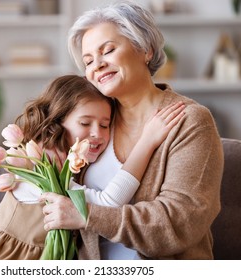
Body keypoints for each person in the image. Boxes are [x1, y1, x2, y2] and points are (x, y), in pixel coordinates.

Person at [40, 1, 224, 260]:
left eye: (108, 50)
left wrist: (87, 215)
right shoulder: (95, 123)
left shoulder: (190, 121)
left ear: (145, 50)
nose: (98, 65)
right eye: (88, 61)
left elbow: (179, 223)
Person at [0, 74, 185, 260]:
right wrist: (147, 142)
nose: (97, 134)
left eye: (105, 125)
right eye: (85, 122)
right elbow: (109, 204)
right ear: (57, 121)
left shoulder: (71, 165)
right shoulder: (39, 164)